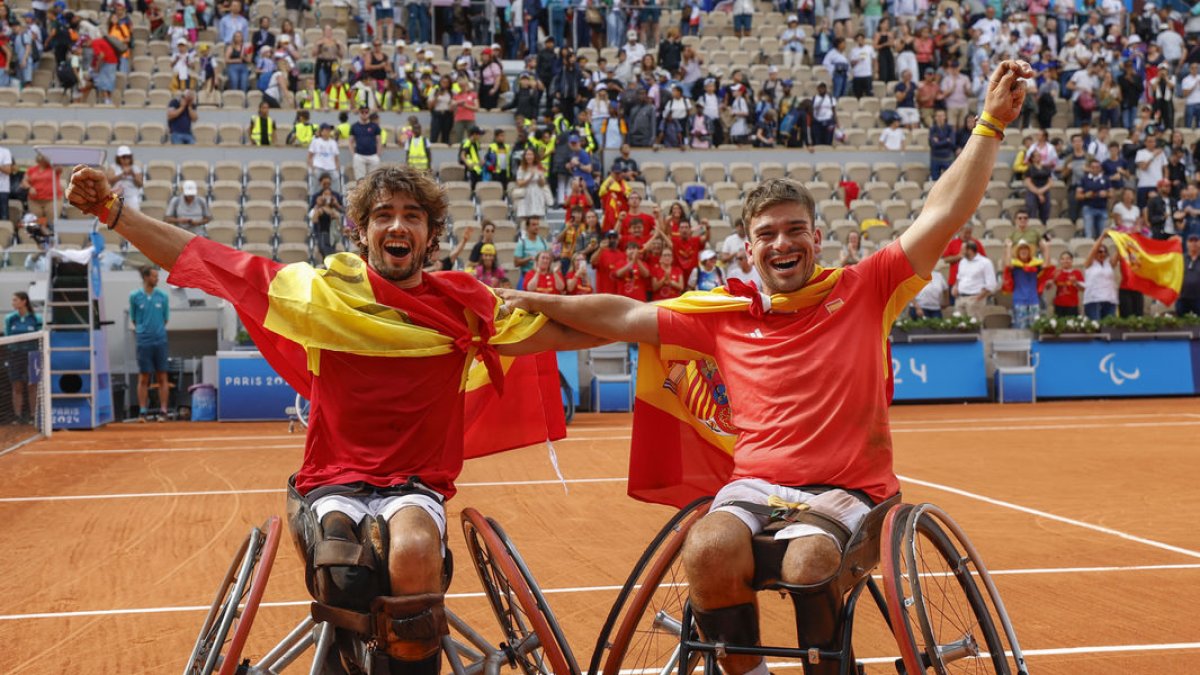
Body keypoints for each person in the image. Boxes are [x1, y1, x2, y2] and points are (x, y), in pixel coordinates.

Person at [494, 62, 1030, 675]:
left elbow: (942, 213)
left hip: (850, 492)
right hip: (757, 487)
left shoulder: (866, 288)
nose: (782, 244)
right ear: (748, 249)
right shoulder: (721, 315)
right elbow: (621, 316)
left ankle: (829, 667)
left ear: (817, 238)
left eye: (794, 230)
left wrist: (989, 125)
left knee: (807, 563)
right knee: (707, 548)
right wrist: (538, 303)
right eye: (767, 234)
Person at [65, 161, 599, 673]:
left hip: (414, 484)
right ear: (362, 232)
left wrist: (667, 323)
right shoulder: (319, 298)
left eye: (412, 215)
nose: (397, 224)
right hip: (334, 480)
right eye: (383, 214)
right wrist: (115, 212)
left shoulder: (465, 307)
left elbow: (584, 329)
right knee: (342, 568)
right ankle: (349, 660)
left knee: (413, 551)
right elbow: (205, 258)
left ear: (431, 235)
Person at [129, 266, 171, 422]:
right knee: (144, 377)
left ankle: (164, 411)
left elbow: (165, 319)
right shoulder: (134, 296)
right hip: (143, 341)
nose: (157, 279)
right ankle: (142, 411)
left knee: (162, 376)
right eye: (154, 276)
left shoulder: (163, 296)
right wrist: (143, 330)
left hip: (160, 340)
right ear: (146, 277)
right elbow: (134, 318)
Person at [5, 291, 42, 425]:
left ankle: (33, 415)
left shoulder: (36, 318)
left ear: (23, 301)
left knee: (32, 385)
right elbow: (8, 336)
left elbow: (40, 337)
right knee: (17, 386)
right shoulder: (10, 318)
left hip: (32, 355)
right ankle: (18, 417)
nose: (13, 302)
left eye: (15, 300)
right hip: (15, 355)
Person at [21, 152, 63, 234]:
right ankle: (41, 238)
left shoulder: (54, 168)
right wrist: (29, 188)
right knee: (37, 222)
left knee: (51, 222)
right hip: (35, 200)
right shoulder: (32, 169)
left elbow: (60, 167)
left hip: (52, 200)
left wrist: (50, 157)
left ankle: (51, 237)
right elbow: (24, 181)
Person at [309, 173, 345, 258]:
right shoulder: (316, 197)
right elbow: (312, 217)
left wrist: (336, 205)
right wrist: (317, 205)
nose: (327, 186)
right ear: (320, 183)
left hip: (334, 233)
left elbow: (344, 213)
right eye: (324, 184)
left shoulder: (336, 196)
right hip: (321, 233)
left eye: (328, 184)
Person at [1082, 237, 1119, 319]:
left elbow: (1119, 251)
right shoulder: (1089, 263)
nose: (1103, 254)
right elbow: (1094, 248)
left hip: (1110, 299)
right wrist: (1103, 236)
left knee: (1109, 327)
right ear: (1095, 253)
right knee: (1096, 327)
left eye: (1105, 252)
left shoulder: (1108, 264)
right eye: (1100, 252)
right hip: (1093, 300)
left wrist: (1122, 240)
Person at [349, 105, 382, 181]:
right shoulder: (354, 126)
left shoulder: (375, 126)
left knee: (374, 180)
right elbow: (350, 141)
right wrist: (353, 154)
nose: (364, 114)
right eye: (362, 112)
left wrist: (378, 154)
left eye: (366, 112)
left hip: (373, 156)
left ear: (369, 113)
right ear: (359, 113)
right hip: (359, 156)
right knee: (360, 180)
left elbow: (379, 141)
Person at [1049, 252, 1084, 317]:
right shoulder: (1056, 272)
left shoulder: (1077, 273)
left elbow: (1083, 289)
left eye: (1068, 259)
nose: (1065, 261)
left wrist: (1075, 282)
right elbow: (1048, 287)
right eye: (1063, 259)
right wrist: (1052, 281)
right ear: (1060, 261)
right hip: (1059, 305)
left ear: (1072, 260)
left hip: (1072, 305)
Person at [1177, 234, 1200, 316]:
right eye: (1191, 241)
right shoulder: (1181, 258)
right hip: (1182, 298)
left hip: (1198, 298)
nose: (1193, 243)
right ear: (1187, 244)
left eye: (1196, 241)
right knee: (1180, 324)